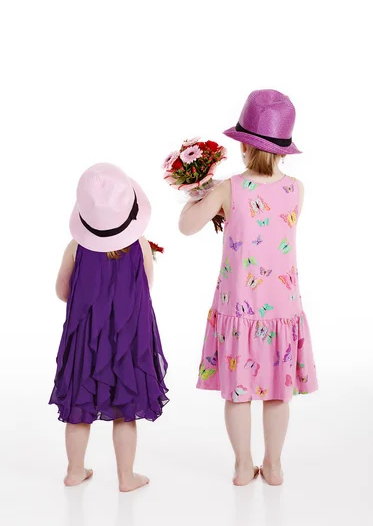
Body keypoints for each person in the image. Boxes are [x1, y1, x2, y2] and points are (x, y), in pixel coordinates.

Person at [179, 90, 317, 487]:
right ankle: (273, 465)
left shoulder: (229, 188)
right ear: (283, 149)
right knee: (277, 393)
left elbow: (186, 227)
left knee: (238, 393)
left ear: (242, 145)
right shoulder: (296, 188)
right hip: (282, 308)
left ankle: (243, 465)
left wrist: (200, 190)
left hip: (239, 306)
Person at [49, 163, 168, 492]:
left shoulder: (76, 247)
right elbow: (146, 288)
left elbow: (62, 291)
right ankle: (126, 477)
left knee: (78, 408)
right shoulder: (140, 245)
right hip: (128, 340)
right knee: (124, 412)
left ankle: (75, 470)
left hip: (86, 341)